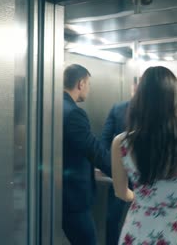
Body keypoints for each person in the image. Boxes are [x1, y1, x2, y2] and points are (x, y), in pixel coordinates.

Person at [111, 66, 177, 245]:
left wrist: (145, 201)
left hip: (139, 231)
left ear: (139, 101)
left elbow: (120, 192)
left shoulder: (121, 143)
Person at [62, 64, 111, 245]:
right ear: (81, 83)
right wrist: (127, 176)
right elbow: (94, 150)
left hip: (56, 195)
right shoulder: (74, 113)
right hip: (73, 199)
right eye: (88, 84)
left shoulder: (52, 107)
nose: (88, 89)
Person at [101, 101, 130, 245]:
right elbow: (104, 141)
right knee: (112, 219)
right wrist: (112, 168)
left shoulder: (119, 109)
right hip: (123, 174)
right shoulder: (118, 109)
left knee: (113, 218)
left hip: (143, 178)